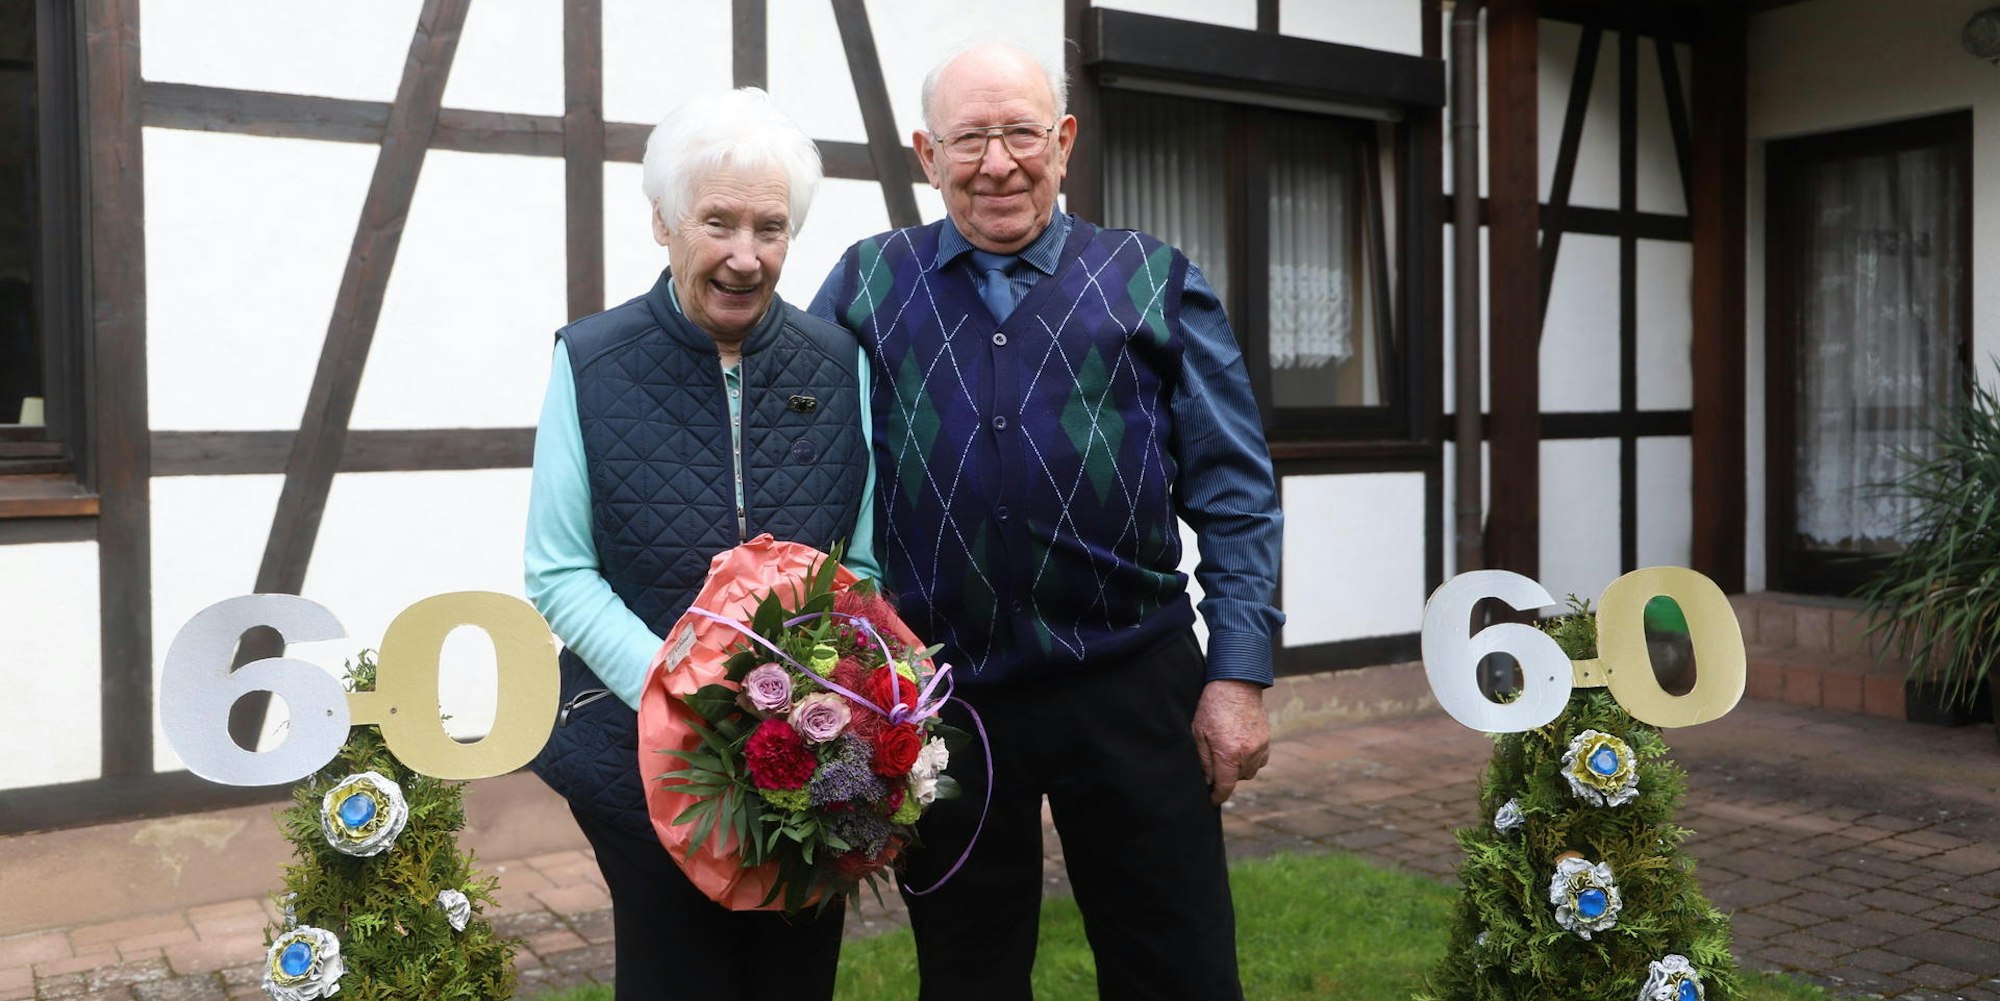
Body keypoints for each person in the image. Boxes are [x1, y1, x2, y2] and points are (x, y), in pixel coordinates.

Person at [809, 42, 1283, 1001]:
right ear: (924, 155)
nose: (997, 162)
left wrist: (1236, 674)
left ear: (1064, 142)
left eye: (1021, 132)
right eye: (969, 138)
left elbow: (1236, 490)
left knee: (1176, 964)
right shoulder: (865, 285)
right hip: (946, 701)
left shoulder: (1152, 279)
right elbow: (805, 463)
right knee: (968, 973)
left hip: (1133, 682)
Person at [524, 87, 877, 1000]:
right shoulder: (592, 359)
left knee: (797, 981)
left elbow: (860, 563)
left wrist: (803, 696)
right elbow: (561, 570)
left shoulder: (837, 365)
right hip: (639, 753)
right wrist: (684, 690)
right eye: (718, 223)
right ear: (663, 222)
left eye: (770, 227)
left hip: (805, 750)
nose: (745, 256)